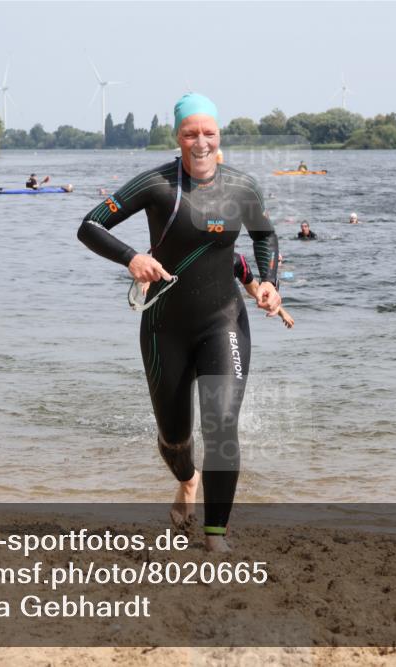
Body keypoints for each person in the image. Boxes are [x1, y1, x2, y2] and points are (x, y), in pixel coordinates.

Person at [77, 93, 280, 552]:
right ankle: (186, 481)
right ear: (178, 137)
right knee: (174, 438)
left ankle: (215, 536)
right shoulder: (156, 185)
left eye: (209, 133)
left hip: (223, 321)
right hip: (163, 327)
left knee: (222, 425)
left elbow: (265, 234)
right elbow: (90, 225)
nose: (201, 142)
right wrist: (132, 258)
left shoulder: (242, 189)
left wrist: (267, 281)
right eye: (191, 133)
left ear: (219, 136)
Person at [234, 254, 294, 328]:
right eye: (276, 261)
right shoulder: (262, 270)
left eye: (278, 261)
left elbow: (255, 288)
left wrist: (281, 311)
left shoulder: (285, 271)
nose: (277, 263)